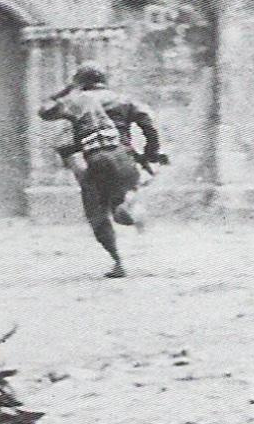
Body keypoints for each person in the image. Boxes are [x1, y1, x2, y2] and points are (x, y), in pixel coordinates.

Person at [39, 63, 163, 278]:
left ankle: (118, 262)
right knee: (120, 205)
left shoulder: (74, 101)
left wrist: (67, 89)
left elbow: (45, 111)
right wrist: (150, 153)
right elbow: (150, 126)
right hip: (124, 157)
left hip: (92, 161)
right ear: (105, 80)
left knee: (97, 213)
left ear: (81, 82)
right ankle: (128, 207)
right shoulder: (124, 100)